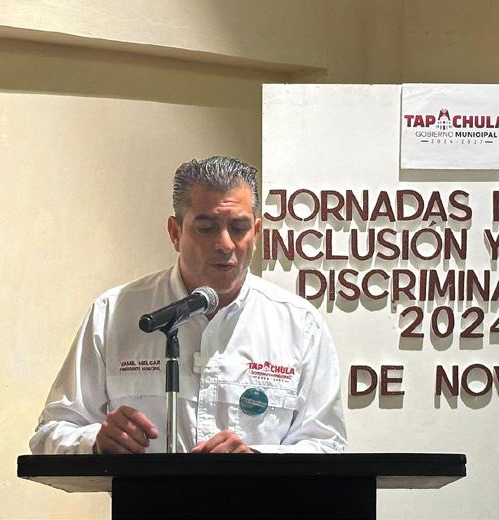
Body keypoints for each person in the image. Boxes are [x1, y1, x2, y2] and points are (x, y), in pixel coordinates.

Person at [30, 156, 347, 455]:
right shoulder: (114, 314)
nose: (225, 244)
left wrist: (256, 459)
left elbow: (328, 445)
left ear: (257, 233)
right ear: (175, 233)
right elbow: (49, 434)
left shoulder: (299, 324)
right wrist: (96, 442)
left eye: (239, 228)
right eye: (207, 228)